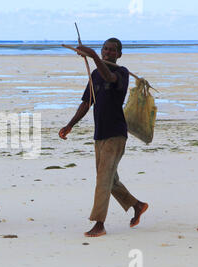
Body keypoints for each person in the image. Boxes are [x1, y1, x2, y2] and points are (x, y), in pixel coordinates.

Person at [59, 38, 148, 237]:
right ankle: (137, 205)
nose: (108, 52)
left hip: (116, 134)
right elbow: (86, 103)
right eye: (105, 49)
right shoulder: (95, 74)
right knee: (110, 179)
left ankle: (99, 223)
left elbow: (110, 78)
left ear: (119, 54)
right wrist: (70, 124)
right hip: (99, 134)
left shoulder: (121, 73)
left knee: (103, 179)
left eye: (112, 50)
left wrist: (93, 54)